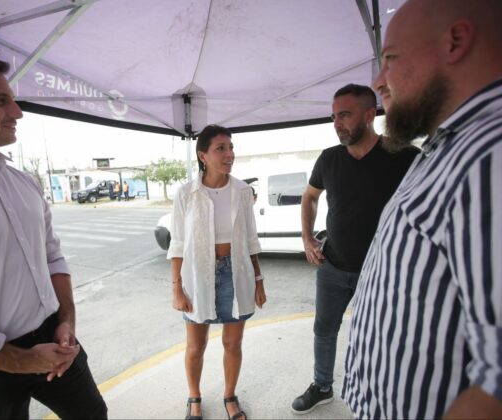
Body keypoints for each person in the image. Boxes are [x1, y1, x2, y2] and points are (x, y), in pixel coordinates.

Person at [342, 1, 502, 419]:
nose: (378, 81)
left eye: (391, 58)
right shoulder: (450, 147)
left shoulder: (491, 154)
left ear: (456, 41)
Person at [0, 47, 107, 419]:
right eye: (0, 101)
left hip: (55, 339)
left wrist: (66, 320)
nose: (17, 113)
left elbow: (52, 257)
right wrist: (22, 361)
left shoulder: (24, 183)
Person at [290, 84, 419, 414]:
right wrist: (307, 238)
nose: (337, 123)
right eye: (334, 116)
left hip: (380, 271)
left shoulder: (403, 156)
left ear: (369, 114)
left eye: (344, 115)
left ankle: (379, 392)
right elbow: (310, 196)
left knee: (380, 336)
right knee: (324, 331)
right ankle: (322, 386)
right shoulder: (329, 158)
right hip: (332, 266)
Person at [168, 124, 266, 420]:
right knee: (195, 346)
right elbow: (178, 244)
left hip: (236, 273)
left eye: (231, 147)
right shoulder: (186, 193)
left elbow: (251, 240)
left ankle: (230, 395)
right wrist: (177, 288)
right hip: (198, 276)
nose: (229, 154)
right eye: (220, 148)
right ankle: (194, 397)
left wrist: (258, 280)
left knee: (233, 343)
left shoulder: (242, 191)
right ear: (203, 156)